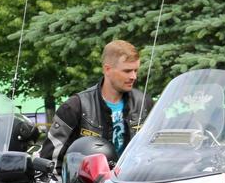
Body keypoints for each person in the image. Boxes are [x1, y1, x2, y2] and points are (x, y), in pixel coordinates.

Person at [40, 39, 151, 175]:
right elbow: (50, 161)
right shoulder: (76, 106)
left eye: (135, 70)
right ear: (107, 69)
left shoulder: (144, 103)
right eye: (127, 71)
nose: (133, 76)